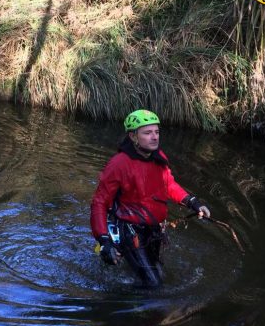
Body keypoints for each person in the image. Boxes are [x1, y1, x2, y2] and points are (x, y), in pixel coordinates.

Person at [90, 109, 211, 288]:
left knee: (158, 273)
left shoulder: (158, 157)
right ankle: (138, 312)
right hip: (130, 231)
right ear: (133, 136)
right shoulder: (119, 164)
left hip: (154, 229)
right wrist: (104, 240)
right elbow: (99, 203)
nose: (154, 137)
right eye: (147, 133)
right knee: (154, 284)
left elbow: (168, 184)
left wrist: (192, 202)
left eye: (156, 132)